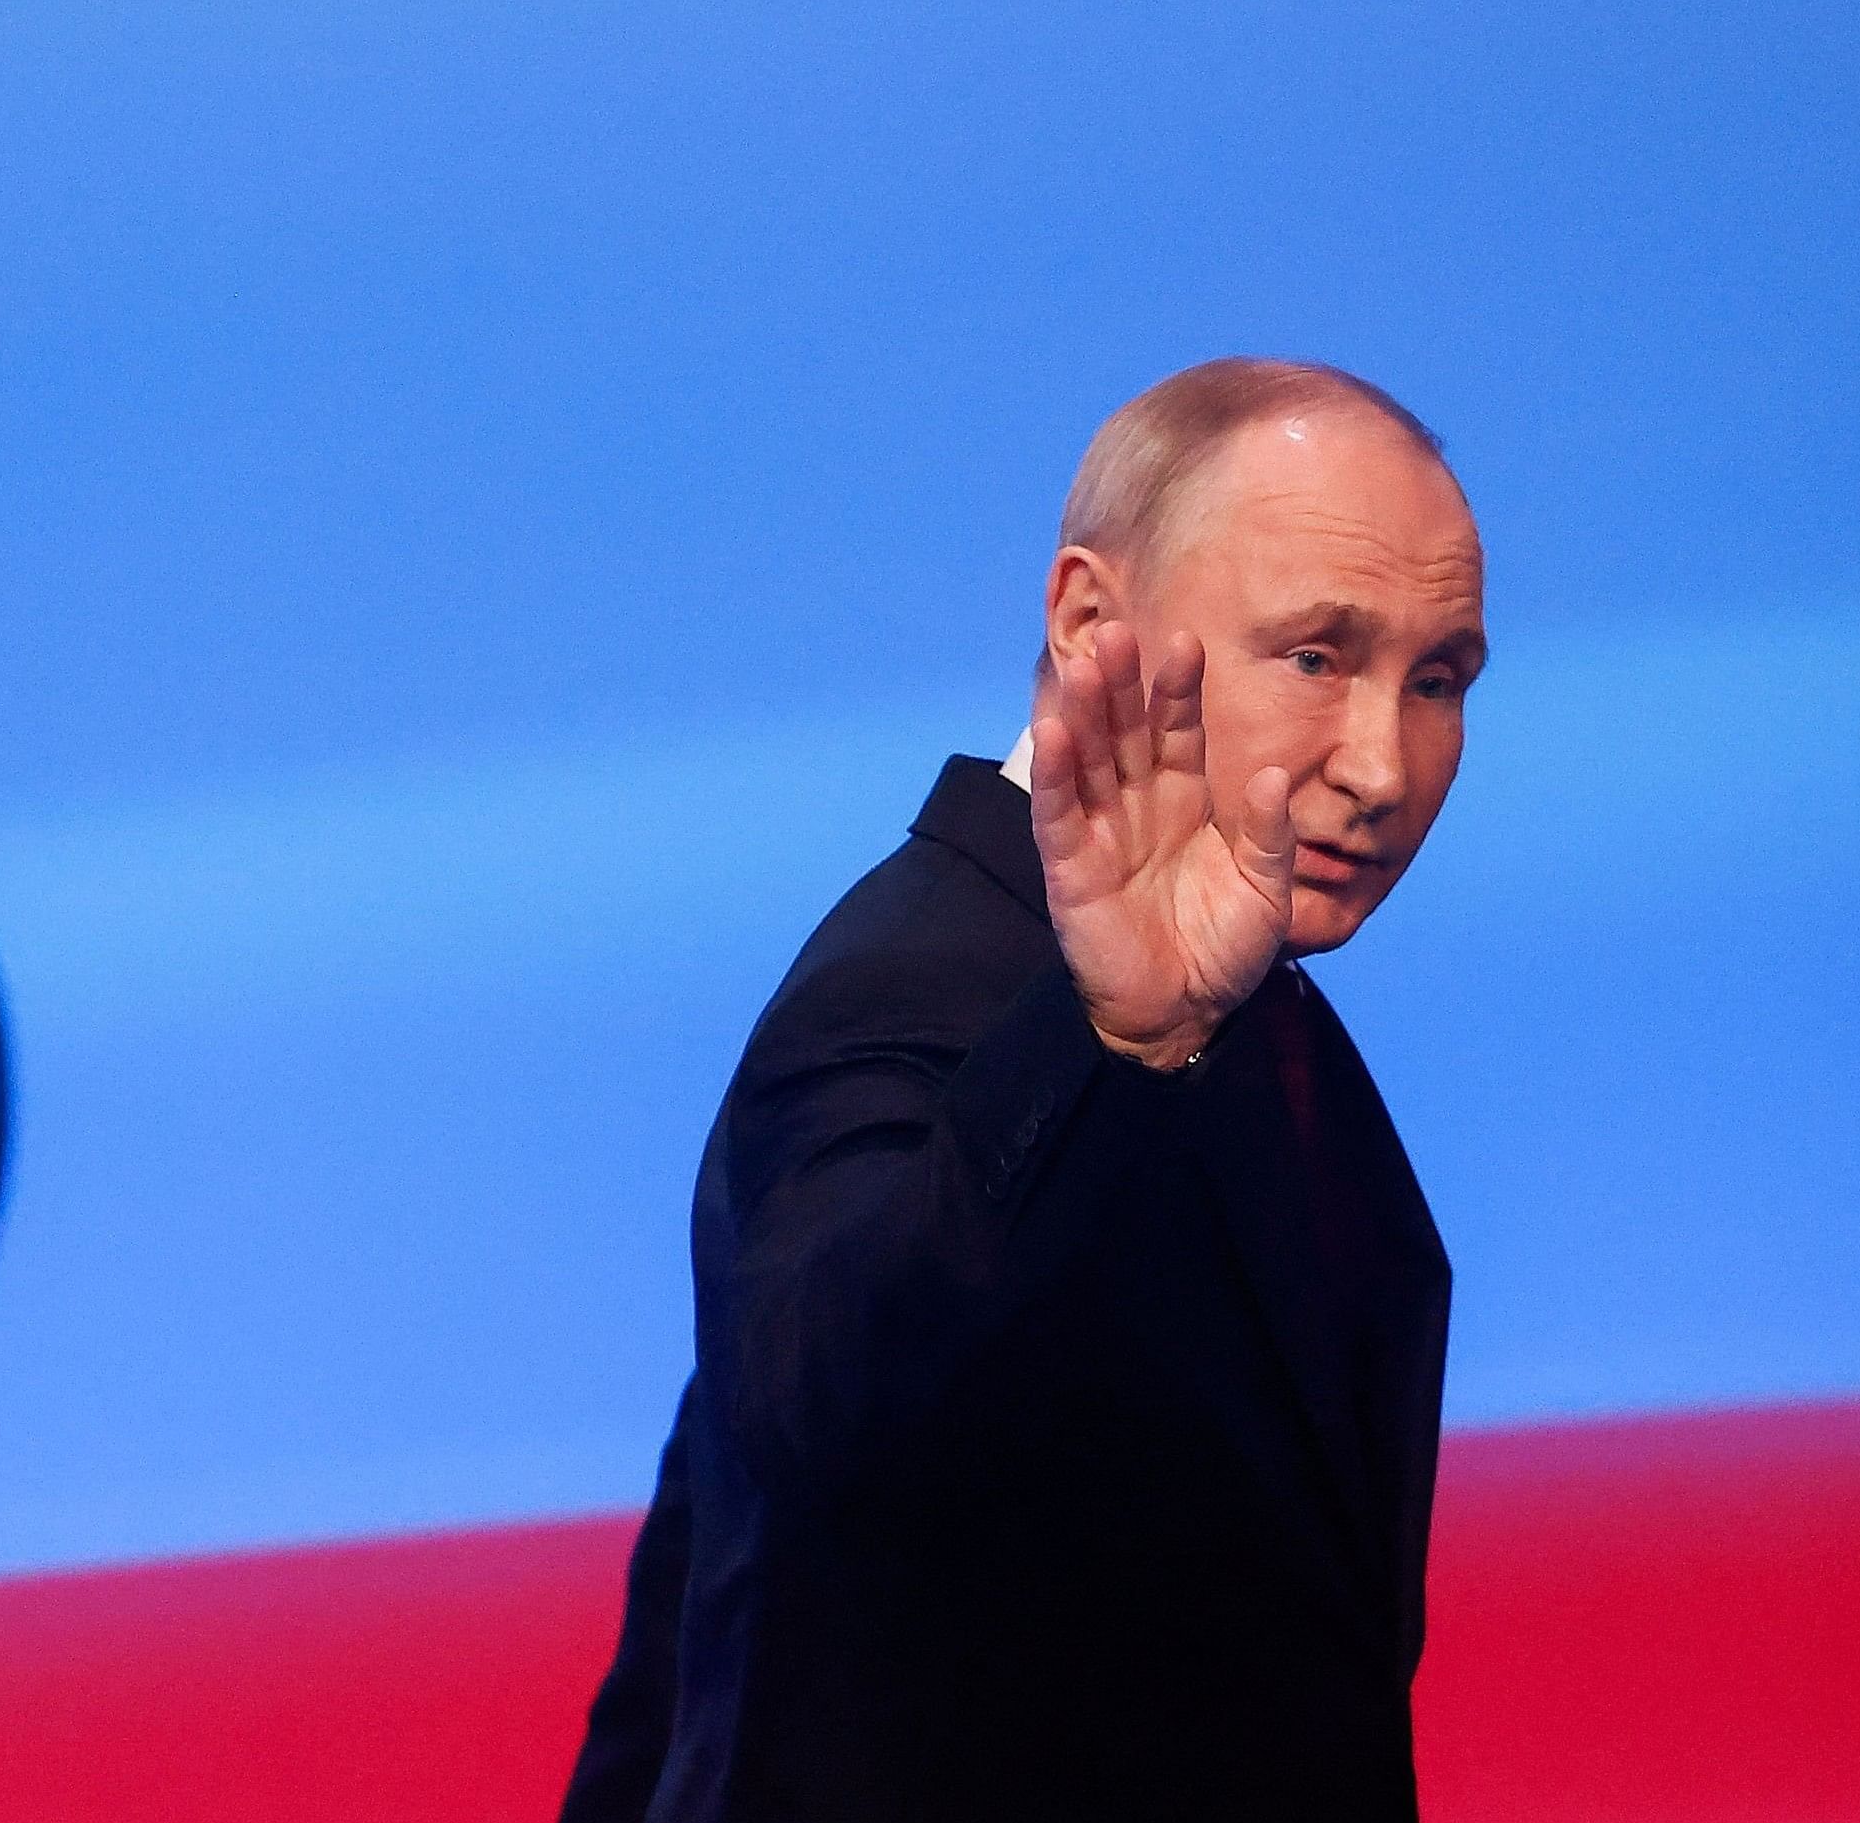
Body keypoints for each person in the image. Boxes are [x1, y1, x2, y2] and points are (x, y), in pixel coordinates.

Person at [560, 358, 1488, 1820]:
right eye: (1316, 656)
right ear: (1087, 624)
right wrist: (1106, 1039)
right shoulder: (919, 983)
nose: (1382, 764)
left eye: (1437, 679)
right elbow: (820, 1404)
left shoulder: (1248, 1007)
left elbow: (710, 1590)